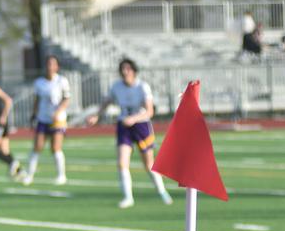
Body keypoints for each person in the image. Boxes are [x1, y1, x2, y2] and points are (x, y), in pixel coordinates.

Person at [87, 59, 173, 209]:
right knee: (122, 163)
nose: (125, 72)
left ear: (134, 71)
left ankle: (162, 191)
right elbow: (107, 102)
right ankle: (128, 197)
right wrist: (97, 115)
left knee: (148, 164)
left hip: (141, 126)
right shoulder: (116, 86)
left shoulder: (142, 87)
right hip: (124, 127)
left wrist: (133, 119)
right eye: (122, 69)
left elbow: (150, 111)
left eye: (128, 69)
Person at [19, 55, 69, 186]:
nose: (50, 67)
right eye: (48, 64)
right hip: (43, 118)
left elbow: (66, 99)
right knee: (37, 147)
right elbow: (37, 100)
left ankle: (61, 175)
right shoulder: (39, 82)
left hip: (58, 120)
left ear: (57, 66)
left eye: (53, 64)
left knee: (55, 147)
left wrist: (58, 112)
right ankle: (29, 176)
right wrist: (33, 115)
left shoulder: (61, 81)